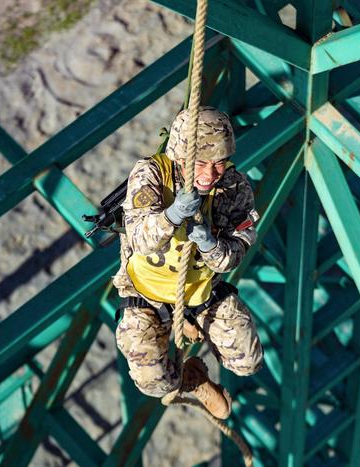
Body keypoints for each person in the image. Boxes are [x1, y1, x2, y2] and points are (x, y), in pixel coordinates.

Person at [112, 106, 264, 419]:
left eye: (219, 164)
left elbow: (234, 254)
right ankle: (191, 379)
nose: (209, 174)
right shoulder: (151, 174)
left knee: (246, 362)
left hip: (201, 293)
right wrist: (171, 216)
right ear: (180, 157)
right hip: (146, 293)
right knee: (153, 381)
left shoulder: (234, 189)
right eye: (201, 163)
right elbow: (140, 238)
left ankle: (192, 325)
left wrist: (210, 244)